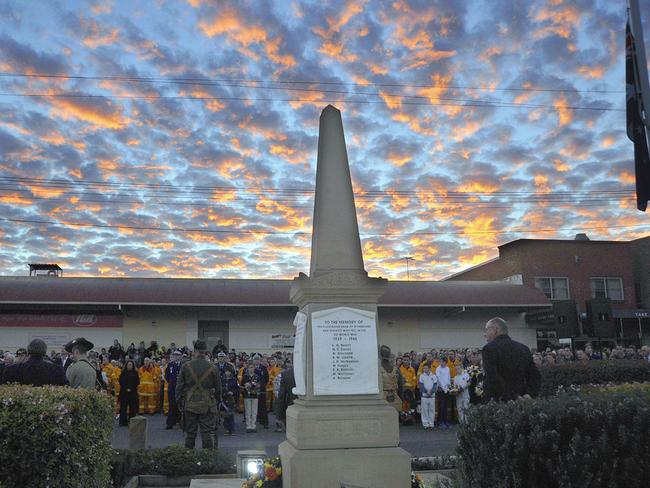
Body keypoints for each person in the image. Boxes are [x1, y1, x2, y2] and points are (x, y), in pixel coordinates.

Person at [482, 317, 541, 402]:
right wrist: (530, 394)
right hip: (523, 399)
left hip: (499, 401)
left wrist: (513, 397)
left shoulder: (489, 349)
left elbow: (493, 377)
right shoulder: (523, 348)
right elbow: (535, 375)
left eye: (487, 329)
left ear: (495, 330)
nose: (485, 334)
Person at [175, 340, 222, 449]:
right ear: (205, 351)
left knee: (190, 434)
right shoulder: (213, 367)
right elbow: (218, 388)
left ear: (195, 350)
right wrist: (218, 400)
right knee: (207, 433)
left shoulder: (186, 366)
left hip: (190, 404)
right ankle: (208, 459)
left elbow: (179, 388)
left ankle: (189, 458)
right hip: (207, 405)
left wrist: (179, 401)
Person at [274, 361, 296, 432]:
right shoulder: (312, 373)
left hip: (291, 404)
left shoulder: (286, 374)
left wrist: (279, 415)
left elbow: (281, 396)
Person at [380, 345, 403, 411]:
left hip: (382, 400)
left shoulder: (378, 370)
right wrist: (401, 397)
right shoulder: (396, 369)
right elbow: (401, 387)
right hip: (395, 399)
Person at [165, 350, 183, 429]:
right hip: (172, 388)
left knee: (181, 405)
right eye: (175, 355)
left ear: (181, 356)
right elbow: (167, 376)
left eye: (178, 355)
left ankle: (181, 422)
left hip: (181, 388)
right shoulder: (170, 365)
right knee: (172, 405)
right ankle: (170, 423)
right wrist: (172, 383)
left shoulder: (184, 365)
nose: (176, 356)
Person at [241, 363, 261, 433]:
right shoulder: (245, 376)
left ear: (254, 368)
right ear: (247, 369)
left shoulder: (257, 376)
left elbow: (259, 386)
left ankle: (253, 426)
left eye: (252, 367)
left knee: (254, 412)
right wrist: (246, 387)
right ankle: (248, 426)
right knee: (248, 411)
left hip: (255, 396)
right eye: (249, 367)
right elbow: (242, 386)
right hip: (247, 396)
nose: (251, 369)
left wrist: (256, 386)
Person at [119, 360, 140, 426]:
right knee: (123, 408)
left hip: (132, 393)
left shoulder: (135, 373)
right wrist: (126, 388)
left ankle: (132, 421)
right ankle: (123, 421)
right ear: (126, 365)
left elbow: (137, 382)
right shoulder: (123, 372)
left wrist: (131, 388)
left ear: (133, 365)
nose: (129, 366)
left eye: (131, 365)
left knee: (132, 408)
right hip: (124, 393)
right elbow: (121, 381)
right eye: (128, 364)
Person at [418, 364, 437, 430]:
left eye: (426, 368)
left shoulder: (433, 376)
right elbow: (421, 385)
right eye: (424, 368)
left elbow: (435, 385)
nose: (425, 370)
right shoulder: (422, 376)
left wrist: (431, 392)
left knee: (431, 410)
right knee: (425, 410)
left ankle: (431, 423)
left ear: (429, 368)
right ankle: (425, 424)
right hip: (424, 396)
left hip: (432, 396)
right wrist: (426, 391)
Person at [253, 355, 269, 429]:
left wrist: (262, 386)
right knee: (253, 407)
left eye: (258, 359)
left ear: (260, 360)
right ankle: (253, 422)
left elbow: (266, 379)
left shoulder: (264, 368)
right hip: (253, 390)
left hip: (261, 390)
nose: (256, 361)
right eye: (255, 359)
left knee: (263, 406)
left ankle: (265, 422)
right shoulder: (251, 368)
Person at [435, 355, 451, 429]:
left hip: (447, 389)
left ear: (445, 362)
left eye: (443, 362)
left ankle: (445, 421)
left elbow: (448, 378)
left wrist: (448, 386)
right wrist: (442, 387)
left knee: (446, 406)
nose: (442, 363)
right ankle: (440, 422)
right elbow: (438, 379)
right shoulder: (438, 369)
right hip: (441, 389)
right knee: (441, 406)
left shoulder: (448, 368)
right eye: (441, 361)